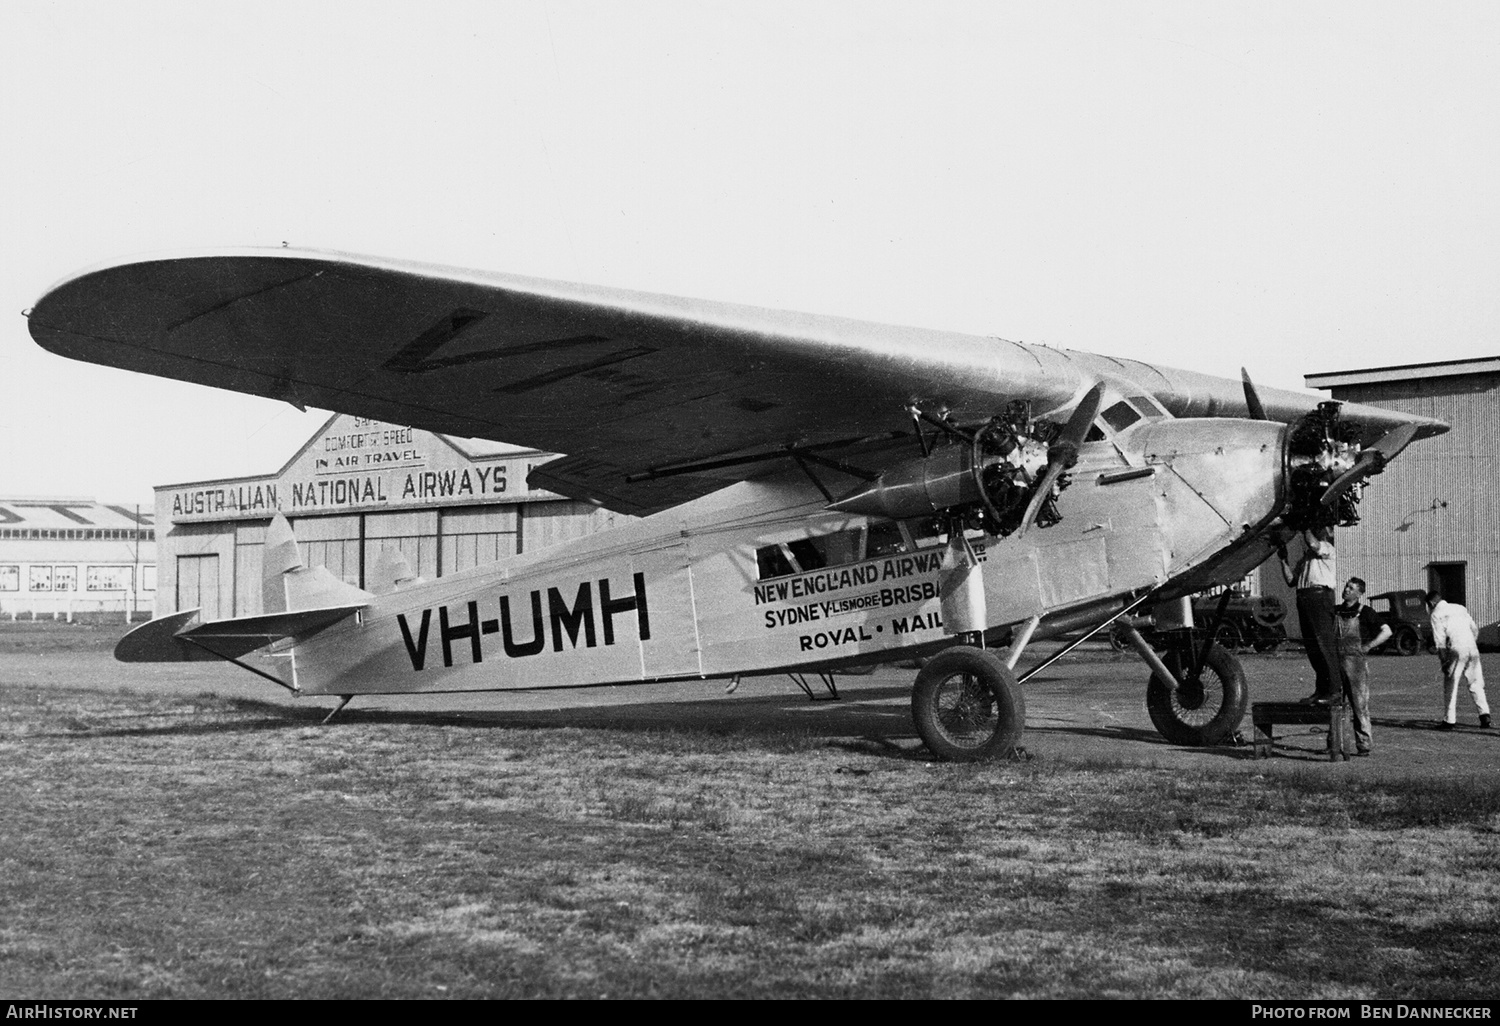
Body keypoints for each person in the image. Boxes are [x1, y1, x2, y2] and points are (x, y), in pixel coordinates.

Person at [1279, 525, 1339, 704]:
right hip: (1304, 597)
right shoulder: (1305, 560)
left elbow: (1313, 543)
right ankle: (1322, 690)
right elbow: (1291, 581)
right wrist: (1283, 561)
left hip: (1319, 596)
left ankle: (1334, 690)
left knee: (1324, 644)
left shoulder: (1327, 548)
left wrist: (1304, 527)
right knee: (1313, 647)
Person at [1333, 577, 1392, 756]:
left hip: (1356, 664)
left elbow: (1387, 631)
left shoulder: (1365, 612)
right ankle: (1335, 743)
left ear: (1360, 593)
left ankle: (1364, 744)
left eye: (1351, 588)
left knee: (1359, 705)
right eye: (1346, 586)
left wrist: (1367, 646)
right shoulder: (1335, 611)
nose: (1346, 590)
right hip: (1336, 662)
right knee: (1335, 704)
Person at [1425, 591, 1492, 731]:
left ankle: (1449, 720)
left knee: (1451, 684)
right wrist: (1470, 643)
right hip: (1471, 647)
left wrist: (1444, 662)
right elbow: (1474, 629)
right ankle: (1485, 715)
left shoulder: (1436, 614)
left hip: (1456, 649)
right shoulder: (1460, 608)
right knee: (1476, 683)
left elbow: (1440, 641)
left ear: (1431, 603)